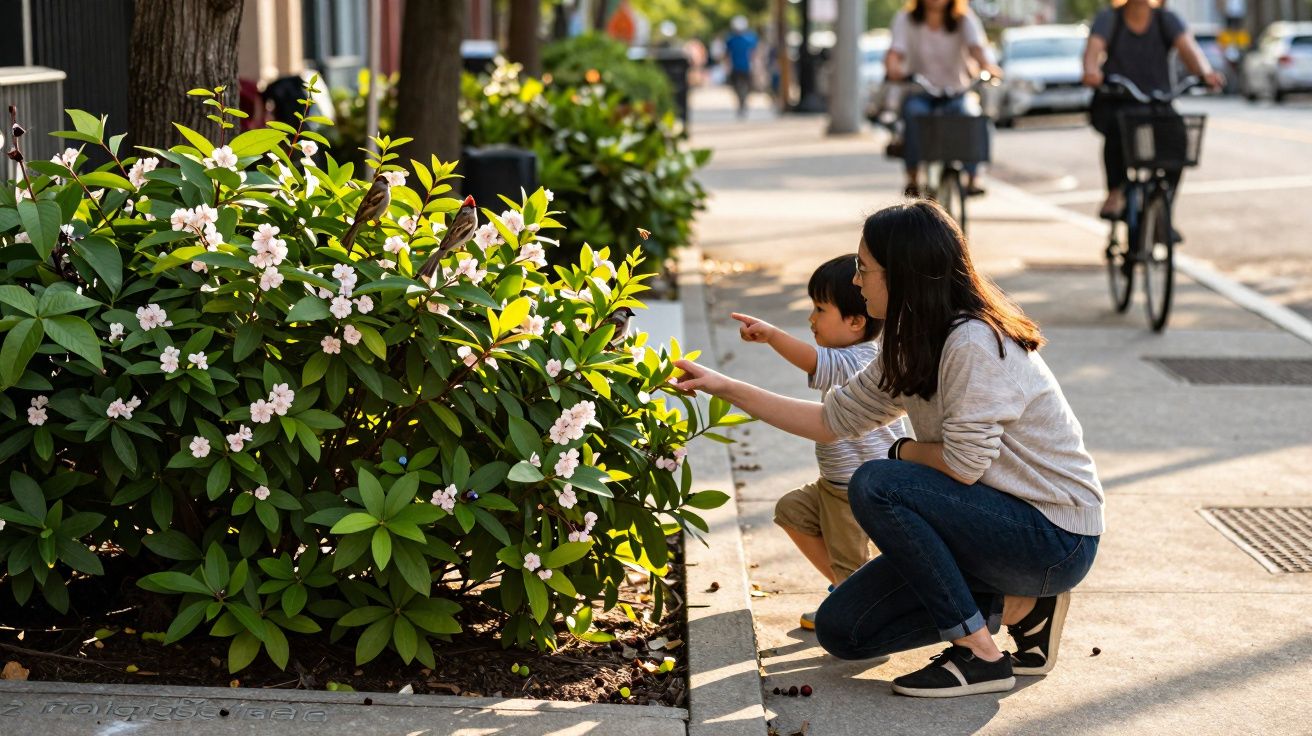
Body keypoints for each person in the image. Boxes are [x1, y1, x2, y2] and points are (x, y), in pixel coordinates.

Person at [673, 201, 1104, 698]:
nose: (856, 280)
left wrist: (900, 451)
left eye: (864, 268)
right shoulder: (910, 341)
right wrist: (721, 386)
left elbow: (964, 467)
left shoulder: (972, 343)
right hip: (988, 527)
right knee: (844, 631)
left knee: (878, 482)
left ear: (902, 273)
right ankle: (1025, 610)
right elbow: (830, 421)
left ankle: (980, 655)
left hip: (1053, 536)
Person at [731, 255, 905, 631]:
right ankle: (853, 593)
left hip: (856, 487)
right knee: (793, 510)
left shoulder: (859, 358)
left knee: (849, 561)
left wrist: (772, 335)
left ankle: (862, 617)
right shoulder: (850, 354)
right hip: (834, 483)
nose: (812, 318)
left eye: (820, 308)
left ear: (856, 322)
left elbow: (812, 361)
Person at [1082, 0, 1223, 220]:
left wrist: (1206, 74)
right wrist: (1091, 71)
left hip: (1158, 102)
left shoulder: (1166, 19)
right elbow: (1093, 51)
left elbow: (1189, 50)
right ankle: (1115, 192)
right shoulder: (1109, 19)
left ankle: (1163, 211)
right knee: (1117, 132)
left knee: (1180, 144)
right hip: (1120, 99)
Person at [885, 0, 1001, 198]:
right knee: (914, 114)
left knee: (971, 116)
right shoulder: (906, 19)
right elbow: (895, 52)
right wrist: (893, 68)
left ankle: (973, 177)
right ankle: (913, 178)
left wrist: (988, 67)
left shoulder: (964, 19)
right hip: (920, 91)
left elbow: (977, 49)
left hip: (957, 90)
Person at [725, 16, 759, 118]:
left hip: (745, 67)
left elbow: (754, 54)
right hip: (738, 67)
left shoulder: (749, 38)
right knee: (739, 88)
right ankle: (742, 104)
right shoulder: (732, 39)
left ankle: (742, 104)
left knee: (744, 88)